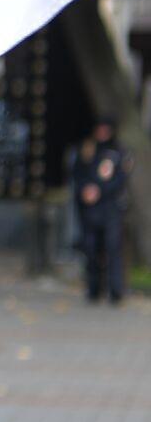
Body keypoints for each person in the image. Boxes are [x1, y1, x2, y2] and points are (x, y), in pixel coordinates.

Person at [71, 117, 131, 304]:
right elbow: (77, 174)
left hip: (111, 207)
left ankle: (115, 290)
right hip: (90, 208)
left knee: (113, 247)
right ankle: (93, 288)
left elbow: (120, 179)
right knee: (90, 248)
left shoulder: (118, 152)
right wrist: (85, 190)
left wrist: (100, 191)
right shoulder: (87, 150)